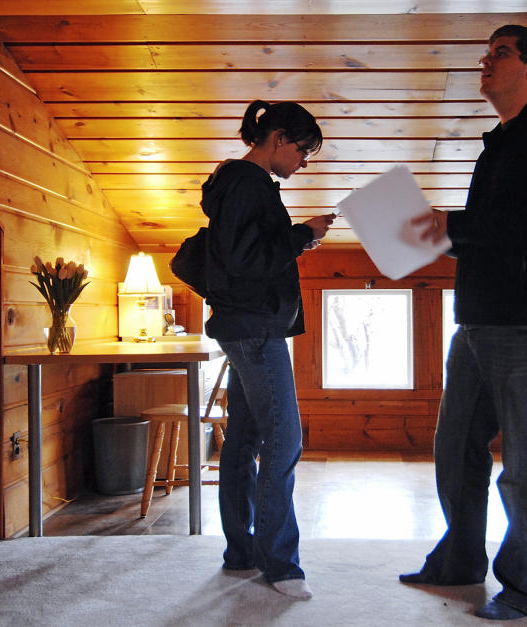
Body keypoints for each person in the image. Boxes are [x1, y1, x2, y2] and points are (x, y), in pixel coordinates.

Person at [400, 25, 527, 620]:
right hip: (480, 318)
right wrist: (445, 236)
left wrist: (458, 228)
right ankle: (459, 560)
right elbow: (494, 233)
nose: (485, 64)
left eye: (500, 55)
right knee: (455, 448)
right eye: (485, 56)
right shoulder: (497, 145)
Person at [200, 99, 334, 600]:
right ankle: (280, 564)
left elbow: (246, 250)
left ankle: (241, 552)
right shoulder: (246, 184)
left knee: (246, 437)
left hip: (245, 324)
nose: (303, 161)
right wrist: (302, 234)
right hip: (255, 328)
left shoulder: (238, 184)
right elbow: (246, 258)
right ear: (277, 138)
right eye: (302, 150)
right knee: (284, 437)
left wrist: (298, 236)